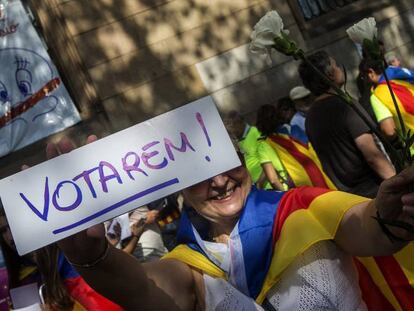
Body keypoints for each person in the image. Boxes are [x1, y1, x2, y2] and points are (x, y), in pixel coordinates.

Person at [51, 135, 414, 310]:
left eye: (229, 161)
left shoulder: (301, 207)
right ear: (178, 187)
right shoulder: (188, 264)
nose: (221, 180)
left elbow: (368, 227)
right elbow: (142, 290)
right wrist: (93, 257)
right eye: (200, 173)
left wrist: (389, 214)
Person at [299, 50, 395, 198]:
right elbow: (372, 155)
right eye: (336, 65)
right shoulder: (345, 105)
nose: (340, 68)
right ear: (330, 74)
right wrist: (396, 183)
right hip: (379, 191)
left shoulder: (310, 118)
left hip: (352, 199)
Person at [256, 103, 336, 190]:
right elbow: (310, 150)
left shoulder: (263, 145)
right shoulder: (294, 129)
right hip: (316, 173)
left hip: (296, 185)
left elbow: (273, 179)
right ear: (278, 116)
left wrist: (287, 195)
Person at [359, 57, 414, 143]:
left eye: (363, 76)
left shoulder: (378, 94)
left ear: (371, 72)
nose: (364, 81)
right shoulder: (397, 75)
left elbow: (390, 132)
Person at [223, 111, 264, 186]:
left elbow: (270, 160)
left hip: (266, 184)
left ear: (239, 123)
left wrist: (260, 182)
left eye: (233, 129)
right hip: (254, 184)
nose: (233, 133)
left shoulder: (255, 132)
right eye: (230, 132)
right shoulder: (239, 140)